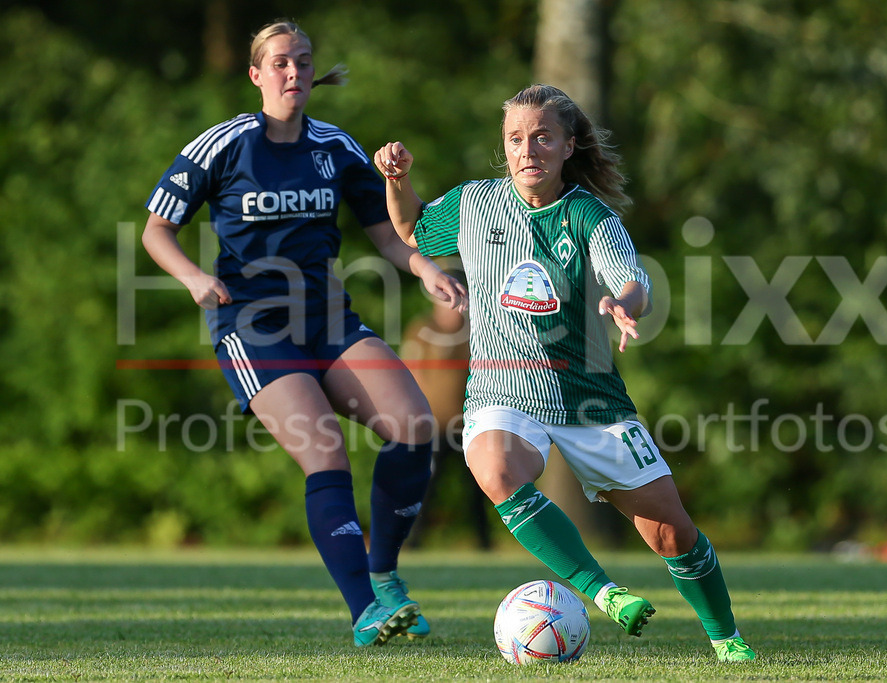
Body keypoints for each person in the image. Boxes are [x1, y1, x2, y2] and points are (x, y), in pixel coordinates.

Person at [374, 84, 757, 662]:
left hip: (589, 400)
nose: (528, 149)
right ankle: (602, 592)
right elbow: (410, 231)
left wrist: (627, 304)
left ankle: (727, 640)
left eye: (542, 137)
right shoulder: (476, 203)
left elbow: (633, 280)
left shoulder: (590, 217)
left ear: (568, 145)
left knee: (671, 534)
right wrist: (397, 182)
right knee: (495, 468)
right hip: (502, 391)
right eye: (515, 139)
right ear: (504, 148)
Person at [141, 20, 466, 647]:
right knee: (324, 453)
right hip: (252, 325)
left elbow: (387, 234)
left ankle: (386, 576)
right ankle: (365, 611)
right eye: (282, 64)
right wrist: (192, 278)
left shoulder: (335, 146)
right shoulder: (224, 145)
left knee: (415, 427)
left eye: (305, 63)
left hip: (330, 320)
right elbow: (157, 231)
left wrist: (425, 268)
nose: (295, 74)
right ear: (257, 75)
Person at [399, 270, 492, 549]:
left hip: (467, 425)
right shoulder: (422, 328)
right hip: (433, 423)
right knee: (426, 485)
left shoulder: (471, 330)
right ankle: (413, 542)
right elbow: (411, 370)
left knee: (480, 486)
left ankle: (484, 543)